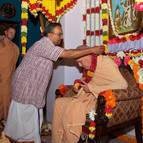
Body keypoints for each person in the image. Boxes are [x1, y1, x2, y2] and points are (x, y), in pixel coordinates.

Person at [4, 22, 104, 143]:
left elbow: (60, 57)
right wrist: (92, 49)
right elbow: (69, 53)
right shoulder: (44, 44)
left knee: (28, 118)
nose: (61, 37)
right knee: (27, 121)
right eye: (59, 34)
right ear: (49, 34)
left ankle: (18, 138)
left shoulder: (47, 46)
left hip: (29, 86)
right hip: (27, 86)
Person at [52, 54, 128, 143]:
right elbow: (87, 82)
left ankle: (79, 139)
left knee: (74, 108)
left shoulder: (105, 62)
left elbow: (123, 85)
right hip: (85, 96)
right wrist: (78, 87)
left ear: (88, 55)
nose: (80, 65)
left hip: (99, 100)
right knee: (59, 102)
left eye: (80, 62)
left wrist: (92, 88)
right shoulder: (89, 67)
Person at [0, 25, 19, 121]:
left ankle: (6, 122)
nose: (12, 35)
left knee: (7, 100)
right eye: (11, 32)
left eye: (14, 34)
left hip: (8, 79)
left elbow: (14, 65)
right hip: (1, 77)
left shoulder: (15, 48)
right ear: (6, 32)